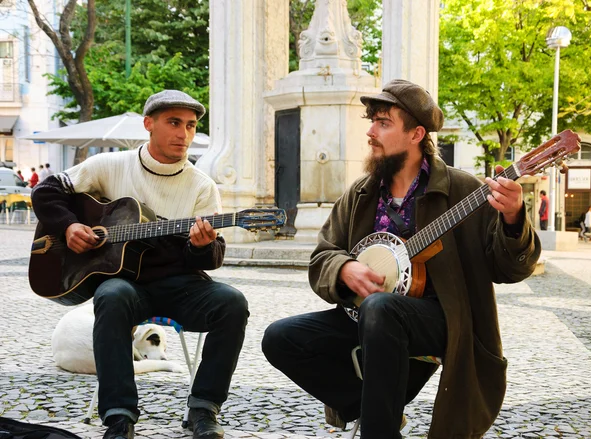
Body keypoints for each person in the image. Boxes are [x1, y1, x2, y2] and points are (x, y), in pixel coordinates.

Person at [261, 79, 542, 439]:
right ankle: (377, 412)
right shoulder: (362, 193)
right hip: (369, 317)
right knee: (280, 338)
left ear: (416, 134)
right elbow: (322, 257)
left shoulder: (463, 190)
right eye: (372, 121)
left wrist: (514, 218)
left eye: (383, 122)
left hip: (444, 319)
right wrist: (344, 267)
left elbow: (511, 269)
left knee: (381, 308)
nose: (370, 132)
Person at [31, 90, 249, 439]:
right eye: (174, 123)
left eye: (191, 126)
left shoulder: (202, 187)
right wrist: (69, 225)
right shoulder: (109, 165)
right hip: (126, 285)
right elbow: (46, 191)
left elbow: (213, 256)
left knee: (232, 303)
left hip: (181, 284)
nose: (184, 134)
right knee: (111, 294)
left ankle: (203, 409)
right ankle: (119, 416)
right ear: (149, 124)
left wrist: (200, 247)